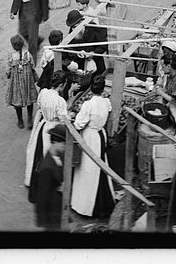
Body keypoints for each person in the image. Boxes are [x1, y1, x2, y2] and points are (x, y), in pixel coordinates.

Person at [71, 75, 115, 219]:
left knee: (87, 169)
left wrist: (75, 119)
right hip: (100, 135)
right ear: (103, 89)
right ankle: (102, 202)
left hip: (90, 137)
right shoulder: (107, 102)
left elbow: (79, 124)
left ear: (91, 88)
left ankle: (85, 205)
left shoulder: (88, 105)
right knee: (100, 167)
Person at [25, 70, 69, 199]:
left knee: (37, 152)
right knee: (48, 155)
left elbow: (39, 107)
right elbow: (63, 119)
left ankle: (33, 178)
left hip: (43, 125)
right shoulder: (60, 101)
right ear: (62, 84)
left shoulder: (43, 92)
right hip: (52, 128)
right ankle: (46, 183)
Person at [34, 121, 67, 231]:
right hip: (51, 210)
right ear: (55, 143)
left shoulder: (58, 156)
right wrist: (42, 219)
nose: (65, 147)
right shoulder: (47, 167)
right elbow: (42, 195)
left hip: (58, 207)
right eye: (64, 144)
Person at [5, 33, 39, 129]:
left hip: (16, 83)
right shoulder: (28, 55)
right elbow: (33, 65)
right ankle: (29, 118)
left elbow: (8, 70)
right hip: (28, 81)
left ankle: (20, 120)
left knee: (17, 100)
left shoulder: (11, 57)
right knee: (30, 99)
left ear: (13, 46)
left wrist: (9, 75)